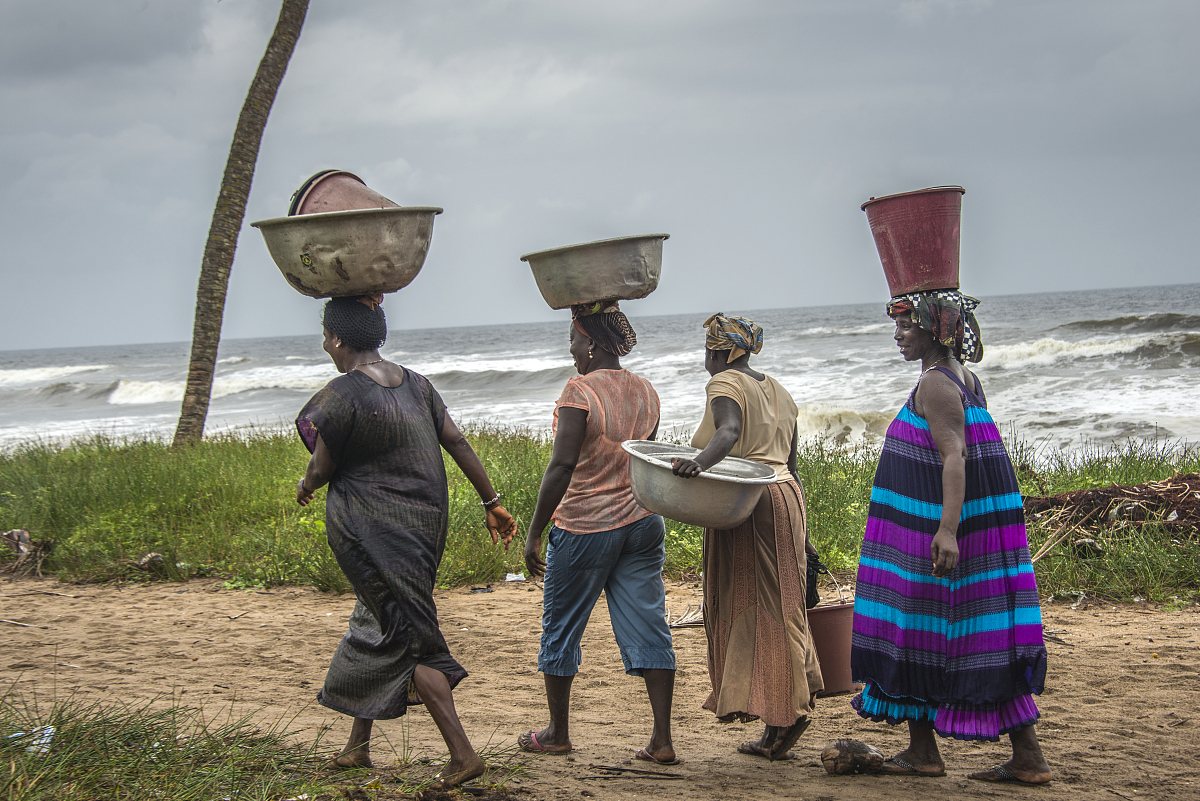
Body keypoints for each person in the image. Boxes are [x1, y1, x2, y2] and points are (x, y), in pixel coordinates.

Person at [295, 294, 518, 787]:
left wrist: (306, 485)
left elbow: (323, 464)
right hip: (422, 529)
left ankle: (463, 755)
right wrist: (491, 501)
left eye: (325, 335)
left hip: (370, 532)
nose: (325, 344)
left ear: (335, 339)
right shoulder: (417, 384)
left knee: (404, 631)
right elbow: (455, 441)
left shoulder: (341, 394)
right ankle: (358, 747)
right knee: (376, 616)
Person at [848, 290, 1052, 784]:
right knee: (966, 630)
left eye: (906, 327)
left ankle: (945, 755)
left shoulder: (937, 385)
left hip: (931, 530)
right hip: (934, 525)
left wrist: (946, 529)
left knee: (918, 625)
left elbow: (955, 456)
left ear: (935, 331)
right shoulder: (964, 378)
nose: (898, 336)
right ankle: (1001, 754)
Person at [520, 301, 678, 764]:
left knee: (562, 626)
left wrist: (534, 531)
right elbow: (643, 456)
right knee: (650, 620)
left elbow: (563, 464)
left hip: (585, 526)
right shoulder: (646, 390)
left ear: (588, 341)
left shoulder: (578, 391)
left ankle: (557, 733)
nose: (570, 350)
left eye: (572, 339)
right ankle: (662, 740)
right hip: (643, 522)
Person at [670, 313, 823, 761]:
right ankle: (778, 718)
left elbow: (729, 433)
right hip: (786, 499)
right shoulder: (780, 390)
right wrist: (803, 531)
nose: (705, 360)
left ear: (721, 352)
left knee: (751, 604)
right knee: (784, 602)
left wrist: (697, 464)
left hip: (749, 503)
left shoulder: (723, 385)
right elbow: (791, 466)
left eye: (707, 351)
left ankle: (784, 716)